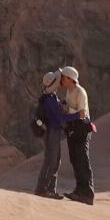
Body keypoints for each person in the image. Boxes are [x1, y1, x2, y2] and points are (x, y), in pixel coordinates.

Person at [34, 69, 82, 199]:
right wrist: (78, 115)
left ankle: (50, 190)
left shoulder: (52, 96)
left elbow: (59, 112)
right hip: (51, 132)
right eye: (59, 80)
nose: (61, 81)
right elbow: (60, 118)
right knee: (51, 161)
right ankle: (43, 190)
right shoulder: (49, 100)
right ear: (53, 83)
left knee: (55, 161)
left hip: (54, 132)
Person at [58, 66, 95, 205]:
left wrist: (67, 112)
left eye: (63, 77)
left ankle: (87, 193)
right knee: (74, 159)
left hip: (81, 128)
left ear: (70, 79)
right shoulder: (69, 91)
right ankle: (79, 191)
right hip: (73, 128)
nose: (62, 80)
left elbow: (82, 114)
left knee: (82, 159)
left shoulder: (80, 92)